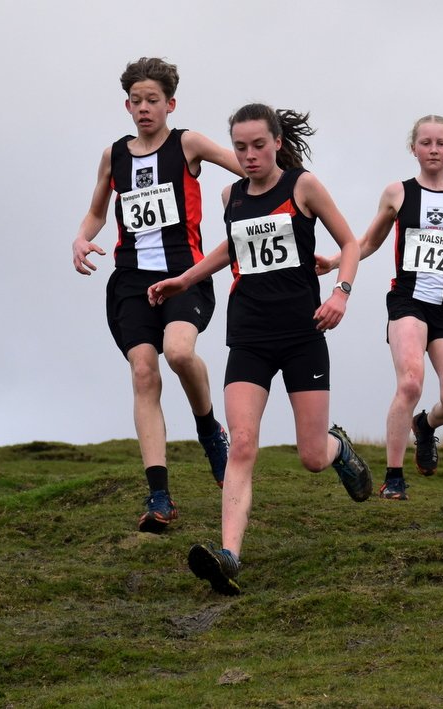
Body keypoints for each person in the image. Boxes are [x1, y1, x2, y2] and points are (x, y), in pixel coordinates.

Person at [149, 103, 372, 595]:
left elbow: (351, 243)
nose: (249, 155)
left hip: (302, 334)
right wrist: (184, 280)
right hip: (248, 335)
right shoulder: (229, 195)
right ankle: (229, 554)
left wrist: (342, 292)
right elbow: (230, 248)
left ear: (275, 143)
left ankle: (339, 449)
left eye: (257, 145)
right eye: (240, 147)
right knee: (243, 444)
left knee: (311, 455)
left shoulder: (303, 187)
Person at [71, 57, 243, 534]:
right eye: (136, 101)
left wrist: (254, 198)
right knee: (144, 372)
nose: (144, 109)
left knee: (178, 353)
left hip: (185, 274)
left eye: (153, 101)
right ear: (126, 105)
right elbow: (95, 212)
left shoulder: (187, 143)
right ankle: (160, 495)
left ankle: (210, 430)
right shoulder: (114, 156)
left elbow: (249, 168)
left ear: (170, 103)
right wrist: (81, 238)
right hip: (129, 280)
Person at [317, 115, 443, 500]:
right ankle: (394, 477)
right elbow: (369, 241)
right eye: (425, 143)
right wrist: (336, 261)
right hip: (408, 300)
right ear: (413, 148)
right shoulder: (397, 193)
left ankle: (425, 425)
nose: (433, 150)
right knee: (410, 382)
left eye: (440, 143)